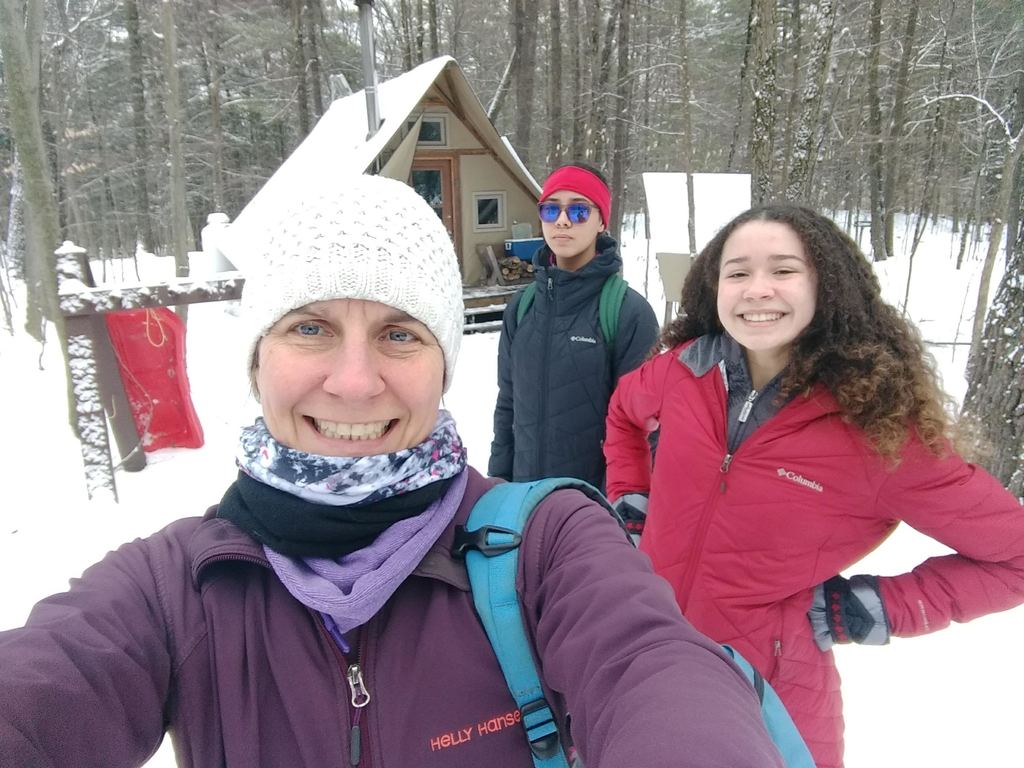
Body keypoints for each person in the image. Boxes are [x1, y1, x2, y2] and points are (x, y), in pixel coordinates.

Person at [0, 175, 786, 768]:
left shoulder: (550, 546)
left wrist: (551, 502)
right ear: (256, 359)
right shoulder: (173, 589)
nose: (354, 381)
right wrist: (508, 463)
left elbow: (654, 668)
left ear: (442, 366)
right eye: (309, 328)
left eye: (401, 335)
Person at [603, 203, 1024, 768]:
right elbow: (623, 414)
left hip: (768, 700)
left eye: (783, 270)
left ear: (826, 285)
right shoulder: (682, 370)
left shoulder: (876, 428)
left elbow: (1016, 557)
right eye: (737, 272)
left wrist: (875, 607)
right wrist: (632, 498)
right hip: (645, 655)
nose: (757, 289)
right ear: (713, 286)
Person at [488, 163, 659, 490]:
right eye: (551, 209)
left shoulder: (627, 312)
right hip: (524, 500)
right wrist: (498, 487)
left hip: (592, 505)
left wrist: (617, 506)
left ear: (602, 221)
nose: (562, 220)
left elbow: (642, 427)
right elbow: (507, 406)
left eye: (579, 210)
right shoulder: (522, 308)